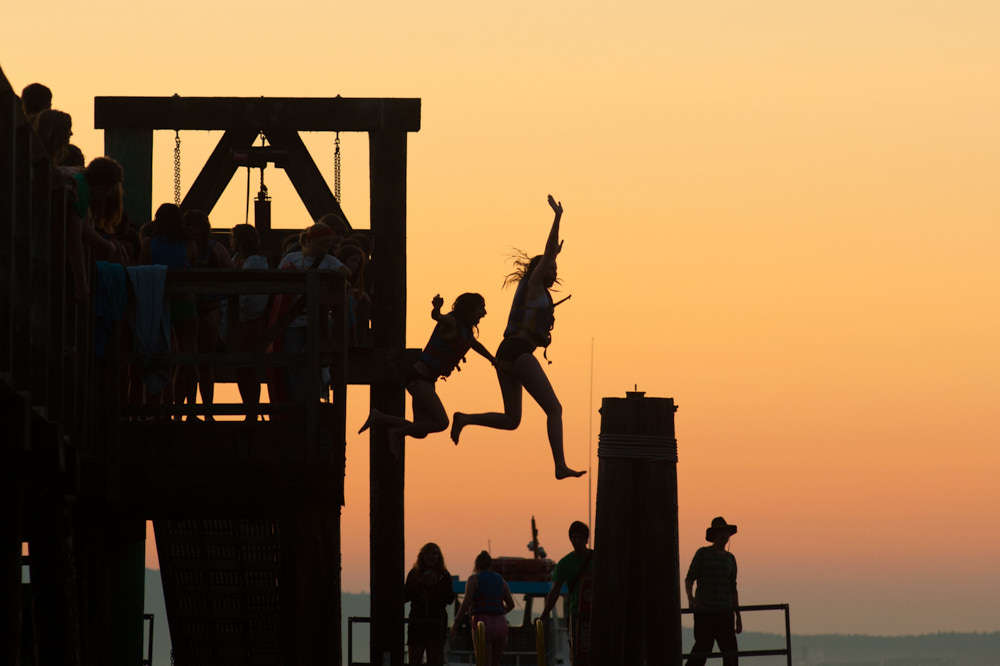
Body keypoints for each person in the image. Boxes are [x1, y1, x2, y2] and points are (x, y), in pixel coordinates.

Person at [450, 195, 585, 480]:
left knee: (512, 420)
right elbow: (548, 251)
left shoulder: (538, 294)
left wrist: (542, 339)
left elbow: (550, 259)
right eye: (550, 266)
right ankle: (560, 466)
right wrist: (557, 217)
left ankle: (465, 419)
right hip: (518, 352)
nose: (554, 270)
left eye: (555, 269)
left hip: (508, 352)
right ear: (539, 270)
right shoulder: (533, 285)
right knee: (555, 408)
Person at [359, 293, 498, 458]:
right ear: (469, 309)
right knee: (442, 422)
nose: (484, 313)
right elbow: (438, 317)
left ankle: (379, 417)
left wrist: (494, 360)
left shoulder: (465, 332)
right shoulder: (452, 322)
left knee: (420, 429)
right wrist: (436, 309)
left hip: (425, 380)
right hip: (419, 379)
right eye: (481, 308)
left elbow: (475, 345)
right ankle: (396, 433)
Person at [275, 223, 352, 404]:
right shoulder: (292, 258)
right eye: (324, 243)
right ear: (314, 242)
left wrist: (338, 281)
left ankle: (310, 399)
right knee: (292, 361)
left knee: (313, 361)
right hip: (292, 319)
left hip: (315, 319)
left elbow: (346, 273)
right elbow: (278, 281)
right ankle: (297, 401)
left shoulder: (329, 260)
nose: (326, 247)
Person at [140, 203, 198, 413]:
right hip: (185, 303)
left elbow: (143, 268)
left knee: (157, 359)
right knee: (188, 359)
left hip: (159, 305)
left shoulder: (149, 243)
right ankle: (190, 409)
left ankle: (155, 411)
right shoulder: (189, 244)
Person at [184, 210, 235, 419]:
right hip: (195, 306)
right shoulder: (214, 248)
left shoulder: (215, 249)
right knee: (189, 362)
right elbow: (232, 271)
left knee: (202, 361)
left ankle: (204, 409)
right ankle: (191, 409)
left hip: (208, 307)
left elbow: (231, 272)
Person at [685, 517, 742, 666]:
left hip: (725, 612)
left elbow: (732, 589)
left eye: (726, 532)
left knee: (730, 652)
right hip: (705, 611)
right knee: (702, 648)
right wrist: (691, 599)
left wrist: (738, 615)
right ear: (714, 535)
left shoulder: (731, 559)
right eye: (720, 532)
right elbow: (690, 579)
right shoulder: (702, 554)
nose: (724, 535)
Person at [230, 224, 270, 419]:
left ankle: (252, 409)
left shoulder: (255, 262)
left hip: (252, 320)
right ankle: (248, 406)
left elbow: (253, 295)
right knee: (240, 366)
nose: (231, 241)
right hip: (239, 320)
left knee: (248, 365)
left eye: (233, 238)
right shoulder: (238, 260)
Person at [540, 521, 593, 663]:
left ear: (586, 539)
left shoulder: (598, 559)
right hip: (577, 614)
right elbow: (555, 593)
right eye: (574, 537)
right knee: (576, 653)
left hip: (596, 614)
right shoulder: (564, 564)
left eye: (580, 537)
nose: (577, 541)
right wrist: (544, 616)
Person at [450, 551, 515, 666]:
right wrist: (499, 611)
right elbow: (511, 604)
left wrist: (456, 623)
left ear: (477, 566)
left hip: (482, 623)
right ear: (491, 565)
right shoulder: (501, 580)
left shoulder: (473, 579)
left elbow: (467, 601)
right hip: (501, 624)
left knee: (483, 663)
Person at [404, 543, 455, 665]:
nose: (430, 556)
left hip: (436, 624)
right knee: (414, 660)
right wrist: (418, 585)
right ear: (422, 556)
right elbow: (405, 596)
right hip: (417, 623)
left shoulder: (444, 576)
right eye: (427, 553)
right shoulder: (414, 574)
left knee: (435, 660)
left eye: (434, 553)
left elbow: (449, 599)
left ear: (439, 557)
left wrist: (436, 585)